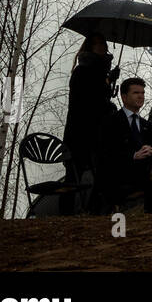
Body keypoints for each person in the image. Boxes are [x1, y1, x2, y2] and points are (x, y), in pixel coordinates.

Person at [62, 34, 118, 212]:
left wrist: (108, 82)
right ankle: (66, 213)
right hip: (80, 132)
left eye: (104, 43)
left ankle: (94, 211)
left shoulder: (101, 73)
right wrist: (107, 83)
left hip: (99, 133)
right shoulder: (82, 71)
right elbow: (88, 102)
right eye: (98, 42)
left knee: (100, 172)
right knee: (74, 175)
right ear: (90, 46)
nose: (102, 46)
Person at [98, 77, 152, 213]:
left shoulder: (146, 125)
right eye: (136, 93)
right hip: (120, 174)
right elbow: (106, 152)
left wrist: (151, 149)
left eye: (143, 93)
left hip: (147, 172)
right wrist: (133, 155)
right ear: (124, 97)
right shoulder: (111, 122)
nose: (141, 96)